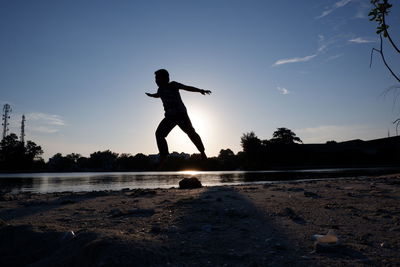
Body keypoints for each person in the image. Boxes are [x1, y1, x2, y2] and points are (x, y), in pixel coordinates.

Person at [146, 69, 211, 166]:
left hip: (181, 115)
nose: (156, 81)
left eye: (157, 79)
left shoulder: (173, 85)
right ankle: (164, 155)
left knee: (191, 132)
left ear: (165, 78)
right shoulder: (160, 90)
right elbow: (158, 95)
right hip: (170, 117)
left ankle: (202, 152)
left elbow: (187, 88)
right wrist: (152, 95)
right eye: (155, 79)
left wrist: (200, 90)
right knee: (159, 134)